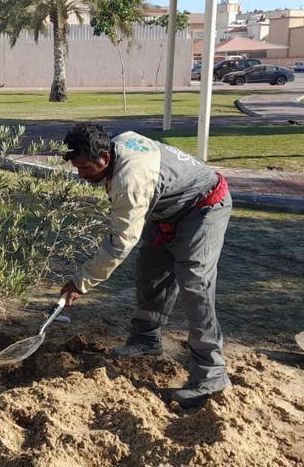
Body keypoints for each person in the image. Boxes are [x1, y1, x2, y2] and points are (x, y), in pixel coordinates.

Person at [59, 124, 231, 408]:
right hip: (168, 210)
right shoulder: (119, 143)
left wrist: (81, 282)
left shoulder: (131, 180)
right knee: (150, 270)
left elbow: (120, 242)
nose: (81, 175)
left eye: (85, 168)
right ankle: (146, 340)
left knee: (195, 284)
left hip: (204, 207)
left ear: (104, 156)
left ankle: (211, 374)